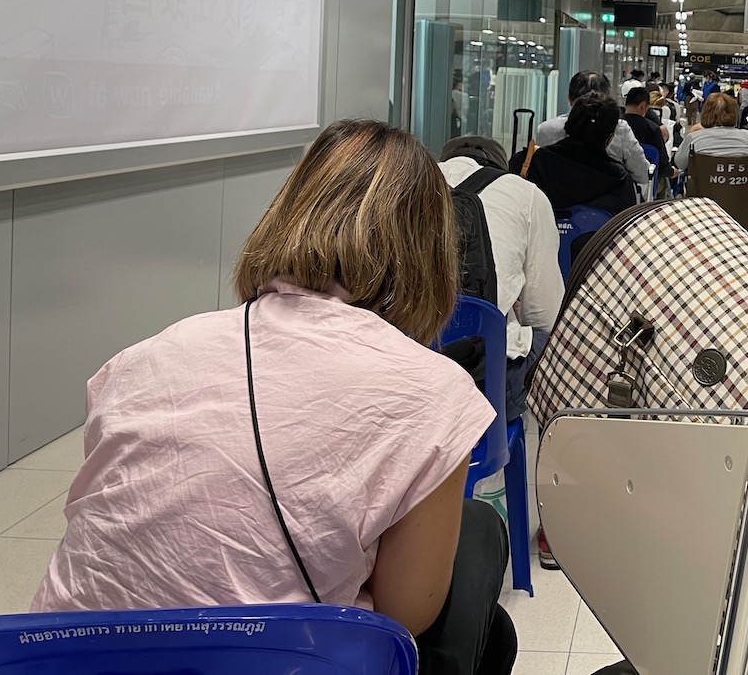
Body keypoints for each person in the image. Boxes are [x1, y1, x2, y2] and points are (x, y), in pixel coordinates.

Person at [32, 120, 515, 675]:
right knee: (479, 544)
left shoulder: (143, 358)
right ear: (430, 253)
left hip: (53, 657)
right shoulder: (433, 392)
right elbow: (404, 617)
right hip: (268, 660)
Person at [438, 135, 563, 423]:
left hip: (404, 376)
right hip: (485, 384)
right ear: (499, 168)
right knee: (546, 338)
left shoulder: (407, 184)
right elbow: (544, 314)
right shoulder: (526, 194)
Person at [535, 71, 650, 188]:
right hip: (608, 203)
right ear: (605, 99)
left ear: (569, 99)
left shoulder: (546, 129)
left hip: (554, 202)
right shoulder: (619, 128)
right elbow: (642, 174)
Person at [526, 96, 636, 216]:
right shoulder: (619, 179)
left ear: (567, 126)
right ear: (610, 139)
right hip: (596, 234)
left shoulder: (534, 162)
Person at [674, 91, 748, 169]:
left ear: (705, 112)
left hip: (704, 187)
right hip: (742, 186)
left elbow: (680, 164)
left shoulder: (694, 138)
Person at [622, 86, 666, 194]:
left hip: (620, 184)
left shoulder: (615, 125)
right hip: (645, 187)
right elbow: (663, 165)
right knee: (665, 183)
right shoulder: (653, 129)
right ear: (643, 106)